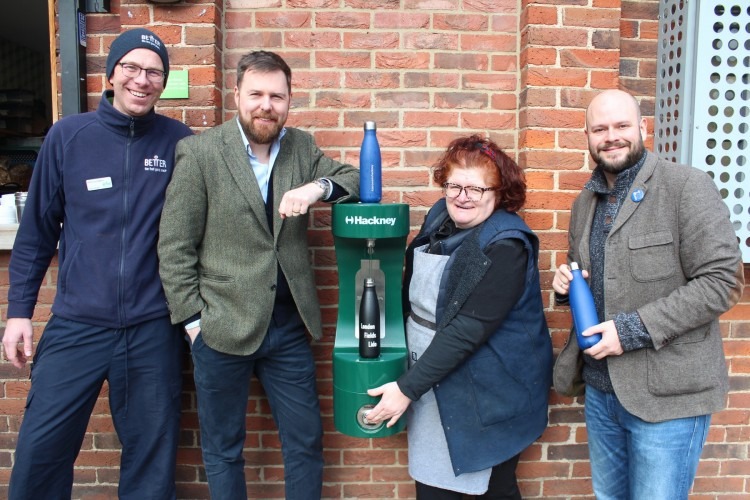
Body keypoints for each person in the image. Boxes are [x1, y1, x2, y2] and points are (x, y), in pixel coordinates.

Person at [157, 50, 359, 500]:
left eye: (277, 96)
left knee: (305, 442)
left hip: (287, 329)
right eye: (256, 94)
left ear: (288, 101)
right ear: (237, 95)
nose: (266, 105)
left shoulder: (302, 148)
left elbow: (354, 178)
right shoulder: (201, 152)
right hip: (220, 328)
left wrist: (315, 188)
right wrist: (194, 324)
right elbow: (174, 247)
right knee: (224, 448)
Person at [2, 28, 193, 499]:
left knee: (151, 460)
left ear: (163, 83)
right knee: (41, 451)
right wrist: (19, 313)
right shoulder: (69, 137)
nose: (142, 80)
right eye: (131, 67)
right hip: (77, 324)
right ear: (110, 75)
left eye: (154, 72)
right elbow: (36, 235)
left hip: (153, 329)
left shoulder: (180, 142)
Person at [552, 89, 745, 500]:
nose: (611, 136)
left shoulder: (685, 187)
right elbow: (592, 276)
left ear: (642, 128)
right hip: (602, 394)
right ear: (586, 135)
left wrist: (631, 330)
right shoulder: (584, 203)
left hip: (668, 400)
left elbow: (723, 281)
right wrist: (568, 288)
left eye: (621, 126)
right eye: (600, 128)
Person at [366, 135, 553, 499]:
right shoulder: (440, 217)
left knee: (487, 488)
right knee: (435, 483)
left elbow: (468, 329)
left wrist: (406, 388)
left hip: (487, 394)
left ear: (500, 193)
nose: (461, 196)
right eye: (454, 185)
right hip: (433, 378)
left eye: (476, 188)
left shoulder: (507, 245)